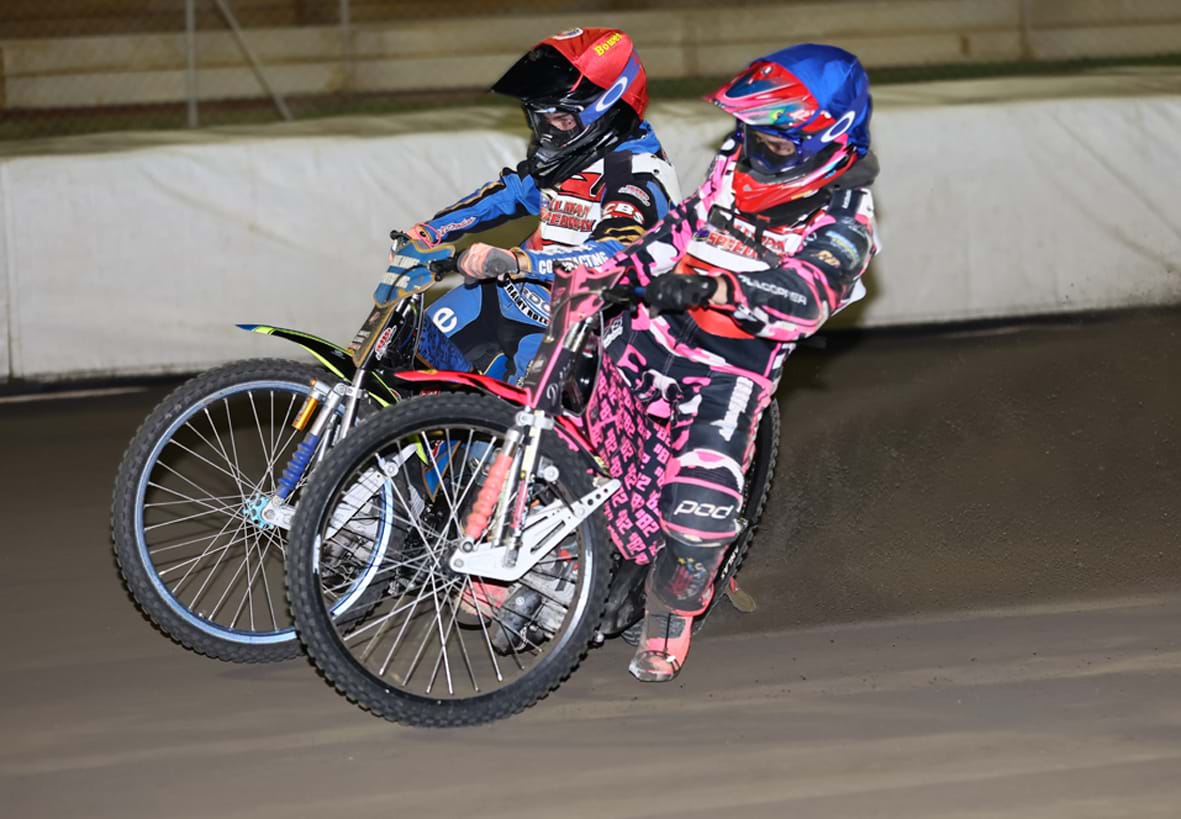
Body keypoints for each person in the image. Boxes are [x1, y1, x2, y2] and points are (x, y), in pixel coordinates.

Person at [593, 43, 880, 682]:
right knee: (568, 438)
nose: (755, 145)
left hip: (729, 373)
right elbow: (684, 225)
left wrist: (715, 288)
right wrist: (620, 271)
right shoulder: (734, 158)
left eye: (773, 138)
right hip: (647, 337)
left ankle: (670, 615)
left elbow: (809, 293)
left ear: (823, 139)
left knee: (699, 508)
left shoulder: (846, 217)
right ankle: (537, 564)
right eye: (751, 130)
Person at [385, 27, 680, 384]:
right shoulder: (573, 153)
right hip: (510, 291)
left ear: (607, 109)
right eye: (541, 117)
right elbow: (510, 193)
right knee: (405, 354)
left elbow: (614, 256)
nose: (548, 131)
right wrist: (432, 231)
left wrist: (520, 261)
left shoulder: (639, 174)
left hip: (580, 325)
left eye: (562, 119)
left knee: (507, 415)